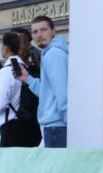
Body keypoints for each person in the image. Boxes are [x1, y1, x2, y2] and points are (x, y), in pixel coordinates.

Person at [18, 15, 68, 147]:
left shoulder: (53, 54)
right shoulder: (50, 53)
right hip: (56, 125)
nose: (39, 35)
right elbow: (48, 92)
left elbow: (62, 92)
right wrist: (27, 79)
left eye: (43, 29)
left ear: (53, 31)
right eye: (35, 32)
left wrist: (69, 122)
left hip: (58, 126)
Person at [0, 31, 41, 147]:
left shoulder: (6, 71)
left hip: (13, 129)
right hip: (34, 127)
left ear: (6, 49)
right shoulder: (28, 70)